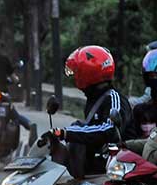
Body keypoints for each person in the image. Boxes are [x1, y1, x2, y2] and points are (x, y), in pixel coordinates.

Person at [43, 45, 134, 177]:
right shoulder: (94, 98)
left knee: (76, 128)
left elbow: (108, 130)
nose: (74, 77)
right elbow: (88, 131)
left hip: (115, 169)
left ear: (87, 74)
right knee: (77, 126)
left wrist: (65, 133)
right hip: (95, 165)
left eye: (77, 72)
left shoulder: (114, 99)